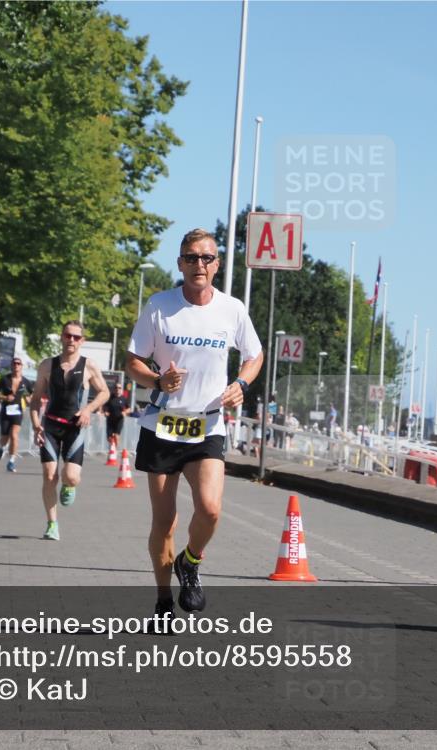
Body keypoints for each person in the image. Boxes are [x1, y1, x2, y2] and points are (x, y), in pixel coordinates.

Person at [125, 228, 263, 624]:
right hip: (163, 426)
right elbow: (133, 361)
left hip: (208, 426)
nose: (198, 264)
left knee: (211, 509)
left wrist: (241, 384)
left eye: (206, 258)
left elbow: (254, 355)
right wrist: (156, 381)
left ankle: (191, 562)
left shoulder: (231, 309)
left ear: (217, 264)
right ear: (180, 263)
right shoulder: (159, 306)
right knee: (164, 522)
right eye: (190, 257)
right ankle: (163, 601)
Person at [29, 321, 109, 541]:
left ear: (82, 341)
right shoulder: (47, 365)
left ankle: (70, 484)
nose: (71, 340)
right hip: (51, 426)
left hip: (75, 427)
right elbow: (35, 400)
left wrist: (88, 410)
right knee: (49, 476)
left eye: (76, 337)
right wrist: (36, 424)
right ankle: (52, 524)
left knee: (71, 477)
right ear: (61, 337)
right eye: (67, 336)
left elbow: (104, 392)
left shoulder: (89, 365)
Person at [0, 358, 33, 472]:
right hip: (5, 411)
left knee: (14, 435)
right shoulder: (5, 379)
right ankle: (2, 448)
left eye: (18, 364)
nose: (16, 365)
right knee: (4, 437)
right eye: (14, 364)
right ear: (11, 366)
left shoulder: (26, 382)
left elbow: (32, 395)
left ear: (21, 366)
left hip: (18, 411)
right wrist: (5, 397)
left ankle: (11, 461)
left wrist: (28, 399)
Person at [101, 381, 130, 446]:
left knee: (116, 436)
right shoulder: (110, 397)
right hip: (110, 419)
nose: (117, 389)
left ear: (121, 389)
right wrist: (105, 411)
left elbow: (129, 409)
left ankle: (114, 450)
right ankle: (111, 450)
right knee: (109, 438)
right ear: (114, 389)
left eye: (119, 388)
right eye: (116, 387)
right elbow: (105, 406)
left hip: (119, 419)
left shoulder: (123, 399)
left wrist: (125, 412)